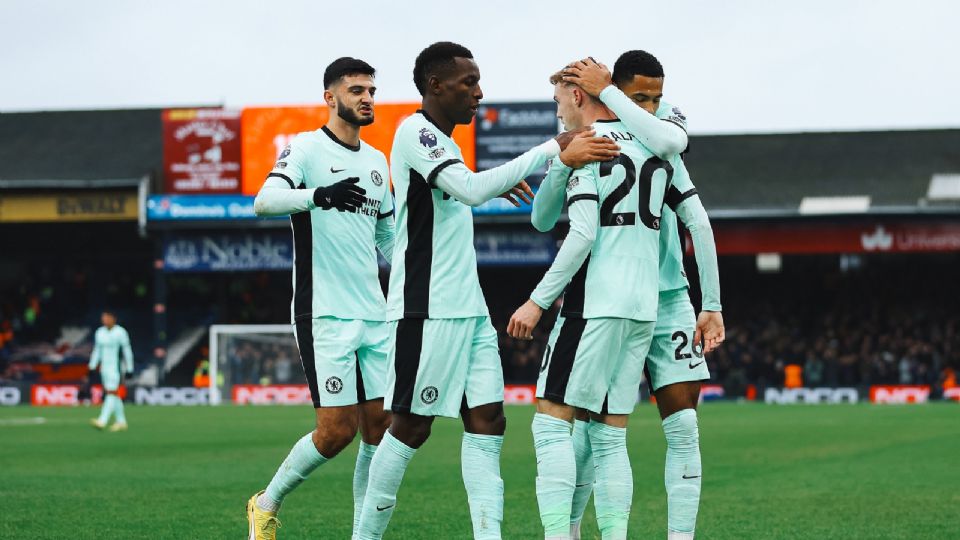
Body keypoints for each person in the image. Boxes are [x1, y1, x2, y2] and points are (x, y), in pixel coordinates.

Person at [355, 41, 617, 540]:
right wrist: (552, 148)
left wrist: (498, 182)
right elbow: (470, 190)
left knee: (488, 421)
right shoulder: (415, 131)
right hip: (424, 310)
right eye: (468, 83)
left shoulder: (447, 144)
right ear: (435, 85)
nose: (479, 92)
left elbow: (469, 189)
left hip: (469, 311)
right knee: (410, 428)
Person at [536, 52, 725, 540]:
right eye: (640, 96)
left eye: (655, 97)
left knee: (682, 428)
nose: (653, 106)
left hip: (669, 298)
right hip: (624, 293)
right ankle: (574, 529)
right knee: (592, 432)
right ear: (612, 90)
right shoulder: (599, 140)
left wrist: (711, 304)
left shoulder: (662, 123)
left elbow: (675, 155)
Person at [507, 63, 676, 540]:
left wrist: (537, 301)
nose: (558, 112)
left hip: (594, 303)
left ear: (579, 96)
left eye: (560, 100)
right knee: (609, 435)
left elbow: (579, 235)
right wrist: (560, 164)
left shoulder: (592, 146)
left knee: (551, 423)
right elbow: (543, 218)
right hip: (643, 305)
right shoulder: (649, 141)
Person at [246, 57, 395, 540]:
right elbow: (263, 202)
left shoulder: (378, 161)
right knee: (336, 432)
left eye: (371, 90)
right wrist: (317, 195)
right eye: (356, 90)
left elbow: (388, 238)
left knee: (380, 428)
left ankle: (362, 535)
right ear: (330, 97)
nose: (367, 98)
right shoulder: (306, 149)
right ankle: (265, 503)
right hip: (324, 313)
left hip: (375, 313)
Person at [88, 309, 133, 432]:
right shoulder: (100, 332)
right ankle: (121, 422)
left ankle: (102, 420)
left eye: (107, 317)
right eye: (103, 318)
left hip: (116, 368)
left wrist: (130, 368)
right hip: (104, 368)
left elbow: (126, 350)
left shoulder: (120, 332)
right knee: (114, 395)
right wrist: (92, 366)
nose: (104, 320)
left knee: (111, 393)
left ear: (113, 318)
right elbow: (97, 350)